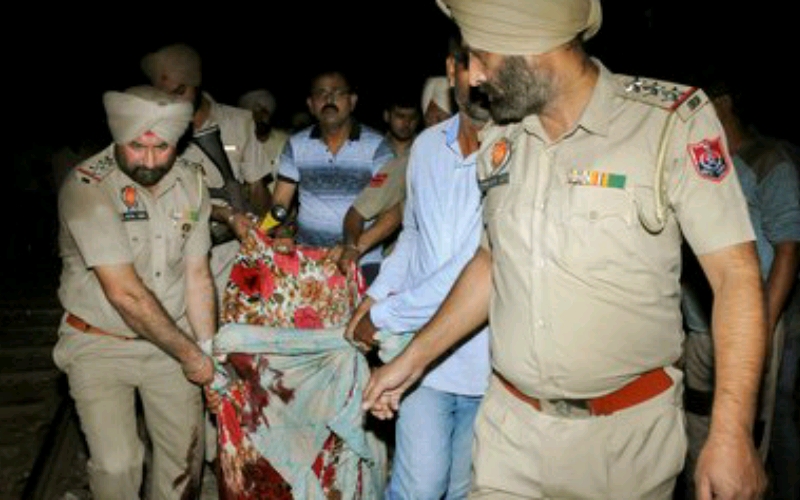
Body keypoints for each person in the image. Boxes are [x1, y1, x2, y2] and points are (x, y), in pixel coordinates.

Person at [362, 1, 768, 499]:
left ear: (535, 51)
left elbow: (736, 275)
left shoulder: (667, 125)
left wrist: (731, 431)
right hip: (509, 435)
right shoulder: (502, 140)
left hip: (624, 446)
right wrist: (413, 358)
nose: (475, 78)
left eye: (484, 58)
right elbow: (491, 263)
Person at [346, 29, 491, 499]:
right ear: (453, 70)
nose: (488, 78)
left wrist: (382, 317)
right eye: (475, 64)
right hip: (422, 360)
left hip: (492, 361)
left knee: (463, 488)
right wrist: (374, 295)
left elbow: (476, 266)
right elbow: (412, 235)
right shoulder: (427, 147)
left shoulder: (520, 151)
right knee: (420, 488)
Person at [52, 85, 217, 500]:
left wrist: (209, 349)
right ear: (118, 137)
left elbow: (197, 274)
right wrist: (192, 355)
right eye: (136, 148)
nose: (148, 160)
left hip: (170, 346)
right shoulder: (88, 185)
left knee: (183, 465)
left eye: (161, 148)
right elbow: (126, 294)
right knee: (117, 464)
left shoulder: (192, 182)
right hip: (99, 343)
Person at [681, 70, 800, 500]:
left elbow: (788, 249)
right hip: (700, 327)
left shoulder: (769, 162)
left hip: (749, 323)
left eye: (703, 99)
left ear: (725, 101)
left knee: (746, 440)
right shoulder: (696, 160)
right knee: (695, 435)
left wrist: (762, 327)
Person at [141, 43, 271, 305]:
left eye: (181, 91)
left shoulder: (240, 121)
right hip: (185, 251)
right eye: (165, 95)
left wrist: (265, 231)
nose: (175, 102)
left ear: (197, 84)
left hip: (239, 248)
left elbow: (258, 189)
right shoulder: (154, 134)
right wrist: (223, 214)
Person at [269, 69, 395, 285]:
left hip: (363, 261)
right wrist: (276, 229)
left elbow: (394, 209)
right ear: (310, 104)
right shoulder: (296, 145)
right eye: (321, 93)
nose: (329, 99)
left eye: (337, 93)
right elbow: (280, 203)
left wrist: (355, 247)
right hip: (309, 260)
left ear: (352, 101)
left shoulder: (377, 147)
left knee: (363, 319)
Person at [237, 88, 291, 194]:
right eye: (254, 114)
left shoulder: (285, 141)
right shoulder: (237, 143)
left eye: (264, 112)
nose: (260, 118)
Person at [382, 90, 421, 157]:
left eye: (412, 117)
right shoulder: (374, 148)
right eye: (400, 116)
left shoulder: (425, 148)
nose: (407, 123)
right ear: (387, 116)